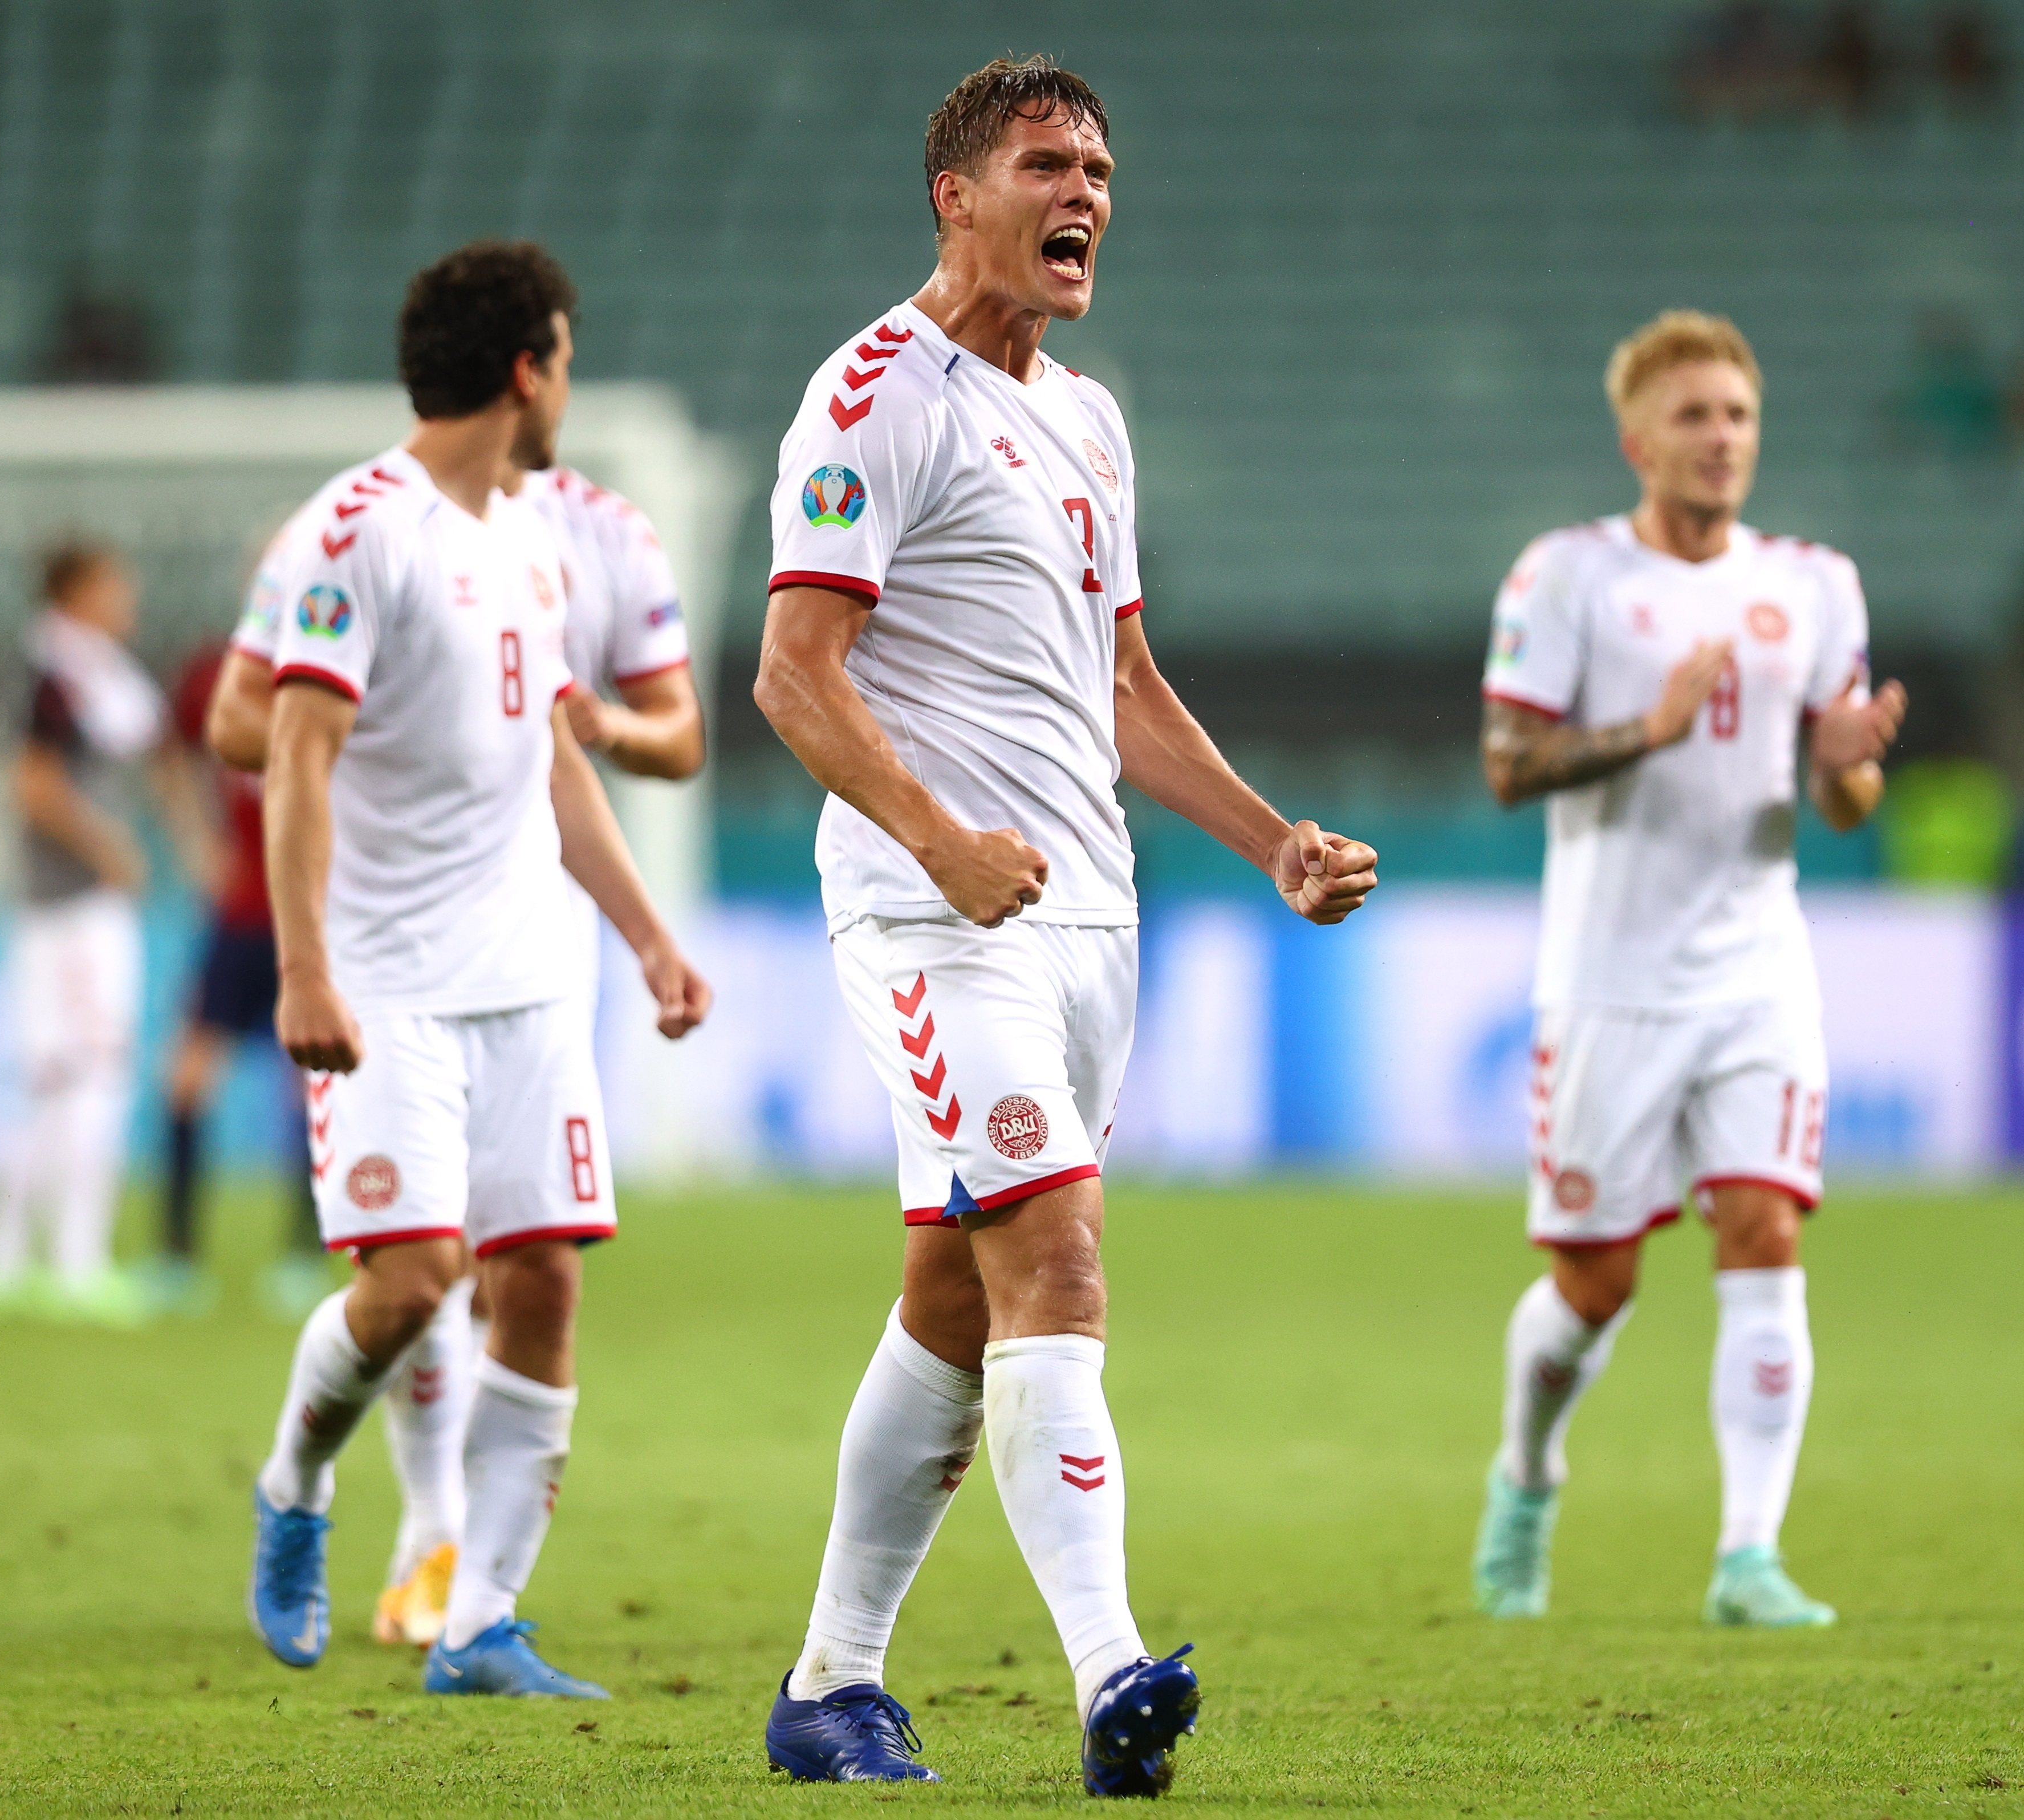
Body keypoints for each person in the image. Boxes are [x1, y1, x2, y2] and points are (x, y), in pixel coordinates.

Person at [750, 55, 1378, 1795]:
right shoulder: (875, 394)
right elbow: (793, 680)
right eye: (1047, 162)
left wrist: (1269, 843)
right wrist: (944, 839)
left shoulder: (1089, 416)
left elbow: (1123, 687)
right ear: (956, 194)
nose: (1085, 189)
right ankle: (1113, 1673)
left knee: (957, 1296)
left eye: (1100, 163)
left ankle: (830, 1686)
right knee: (1059, 1258)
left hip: (1087, 913)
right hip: (931, 909)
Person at [242, 240, 710, 1700]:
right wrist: (304, 966)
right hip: (384, 988)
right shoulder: (354, 534)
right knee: (411, 1284)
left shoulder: (530, 538)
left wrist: (646, 938)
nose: (566, 382)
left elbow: (553, 771)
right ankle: (297, 1482)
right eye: (562, 355)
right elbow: (293, 762)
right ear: (527, 368)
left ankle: (482, 1622)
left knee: (544, 1286)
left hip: (531, 986)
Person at [1470, 310, 1906, 1630]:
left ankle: (1748, 1557)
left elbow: (1848, 801)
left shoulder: (1816, 584)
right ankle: (1526, 1475)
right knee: (1595, 1288)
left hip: (1759, 968)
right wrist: (1647, 729)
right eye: (1696, 417)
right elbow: (1507, 766)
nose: (1723, 440)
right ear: (1637, 439)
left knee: (1766, 1232)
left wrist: (1845, 764)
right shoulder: (1569, 578)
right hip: (1609, 982)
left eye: (1740, 417)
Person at [0, 545, 206, 1326]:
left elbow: (157, 747)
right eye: (114, 583)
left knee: (47, 1078)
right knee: (88, 1072)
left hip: (63, 905)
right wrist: (112, 849)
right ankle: (76, 1261)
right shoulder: (58, 677)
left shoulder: (89, 671)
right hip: (71, 904)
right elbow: (34, 783)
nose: (128, 595)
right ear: (77, 591)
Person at [141, 639, 328, 1322]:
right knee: (188, 1076)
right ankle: (177, 1254)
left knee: (308, 1081)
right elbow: (167, 751)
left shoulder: (338, 669)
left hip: (309, 914)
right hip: (242, 913)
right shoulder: (220, 674)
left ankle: (305, 1253)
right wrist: (195, 841)